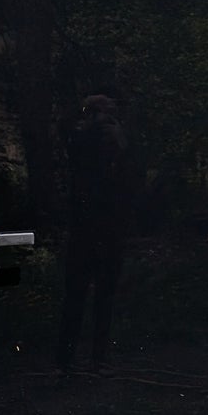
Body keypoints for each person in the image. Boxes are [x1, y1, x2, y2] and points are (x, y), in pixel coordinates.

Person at [56, 92, 128, 371]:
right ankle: (67, 357)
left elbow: (132, 177)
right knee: (76, 294)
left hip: (109, 228)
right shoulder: (81, 141)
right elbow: (66, 131)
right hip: (85, 229)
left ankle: (97, 357)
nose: (104, 122)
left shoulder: (119, 144)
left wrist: (120, 139)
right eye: (100, 114)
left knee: (105, 295)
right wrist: (85, 114)